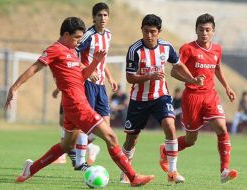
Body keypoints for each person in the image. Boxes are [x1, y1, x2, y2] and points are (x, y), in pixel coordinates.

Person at [5, 16, 154, 187]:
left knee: (67, 146)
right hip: (77, 105)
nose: (78, 42)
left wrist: (95, 63)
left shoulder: (71, 52)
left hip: (73, 105)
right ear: (66, 34)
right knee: (111, 137)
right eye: (76, 38)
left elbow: (80, 77)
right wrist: (14, 88)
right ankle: (133, 178)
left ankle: (30, 170)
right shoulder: (55, 49)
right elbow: (34, 68)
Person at [120, 14, 204, 184]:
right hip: (139, 99)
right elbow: (130, 78)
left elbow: (178, 64)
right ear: (141, 30)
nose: (149, 35)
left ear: (159, 32)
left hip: (161, 96)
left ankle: (172, 171)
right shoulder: (134, 50)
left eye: (152, 32)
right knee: (131, 139)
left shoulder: (166, 47)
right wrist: (149, 76)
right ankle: (126, 172)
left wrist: (192, 79)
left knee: (170, 126)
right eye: (145, 31)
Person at [160, 13, 238, 184]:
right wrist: (192, 80)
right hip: (192, 97)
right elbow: (174, 71)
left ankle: (224, 170)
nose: (204, 33)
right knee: (191, 140)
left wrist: (227, 87)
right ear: (196, 30)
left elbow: (217, 68)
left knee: (222, 129)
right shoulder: (188, 49)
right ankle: (165, 150)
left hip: (210, 96)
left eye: (208, 30)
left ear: (213, 31)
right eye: (201, 29)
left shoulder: (217, 49)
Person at [73, 2, 118, 170]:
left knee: (106, 126)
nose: (103, 18)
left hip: (100, 86)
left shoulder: (108, 35)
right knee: (86, 124)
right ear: (94, 17)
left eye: (105, 15)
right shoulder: (88, 36)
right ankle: (79, 161)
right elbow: (73, 55)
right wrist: (87, 70)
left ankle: (76, 148)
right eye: (99, 15)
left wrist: (110, 78)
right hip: (87, 84)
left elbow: (102, 59)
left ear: (109, 17)